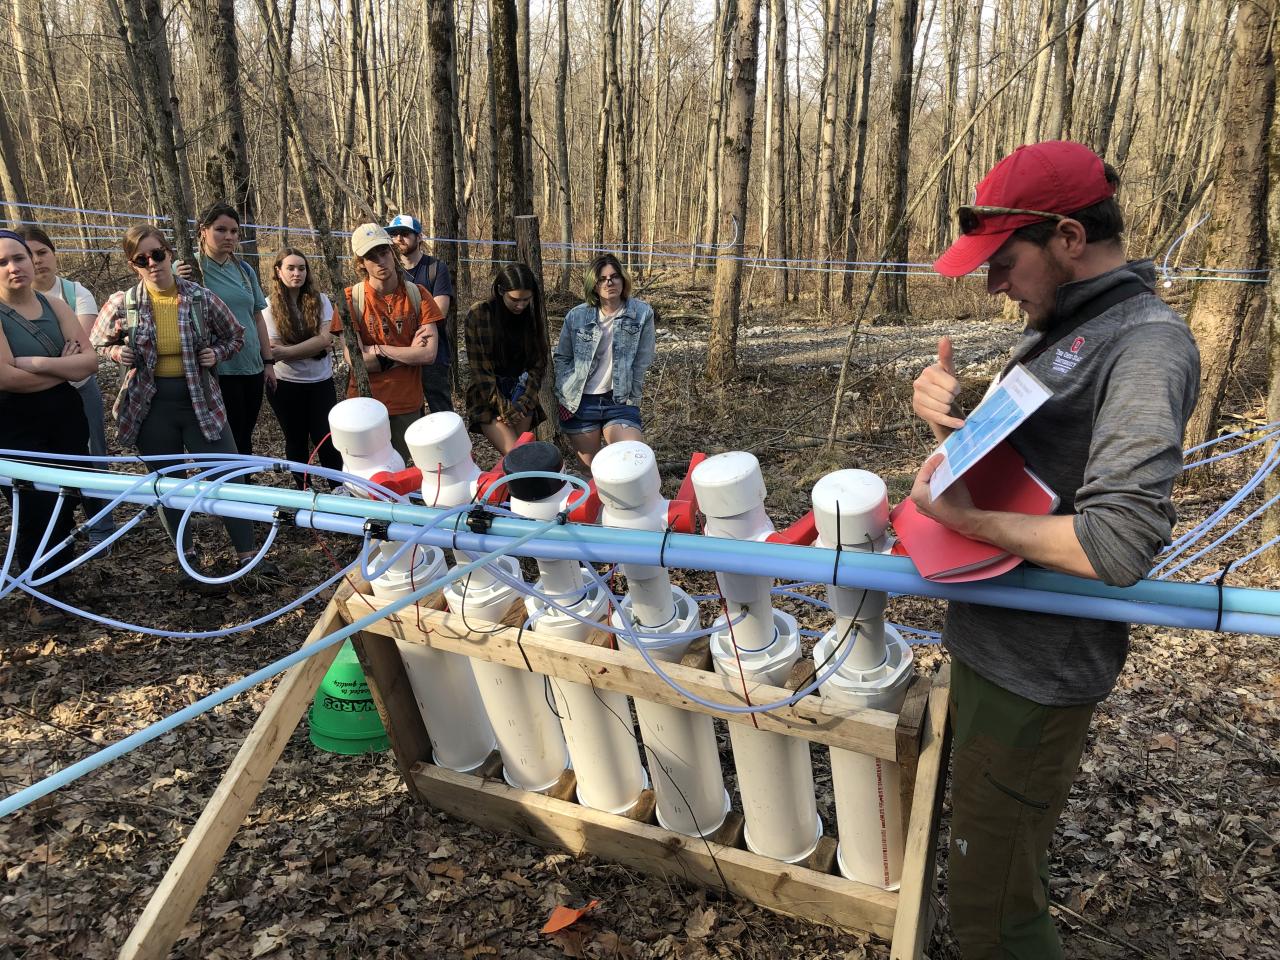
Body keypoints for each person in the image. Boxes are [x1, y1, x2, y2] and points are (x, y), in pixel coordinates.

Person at [909, 141, 1200, 959]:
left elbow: (1117, 541)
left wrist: (966, 522)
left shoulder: (1145, 345)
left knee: (993, 910)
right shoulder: (1069, 327)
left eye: (1004, 261)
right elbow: (1034, 470)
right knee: (984, 871)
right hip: (993, 642)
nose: (994, 284)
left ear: (1069, 237)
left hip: (1036, 670)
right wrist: (950, 427)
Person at [92, 224, 267, 583]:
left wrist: (214, 353)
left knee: (225, 474)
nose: (152, 263)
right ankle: (187, 559)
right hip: (150, 404)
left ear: (170, 254)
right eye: (142, 259)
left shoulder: (199, 298)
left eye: (158, 254)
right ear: (133, 265)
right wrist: (115, 351)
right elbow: (96, 341)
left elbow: (236, 334)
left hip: (201, 400)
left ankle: (248, 557)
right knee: (167, 483)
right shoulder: (123, 303)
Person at [0, 229, 96, 628]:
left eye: (18, 258)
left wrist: (33, 363)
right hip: (13, 424)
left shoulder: (55, 305)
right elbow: (6, 379)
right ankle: (37, 589)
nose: (13, 268)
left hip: (65, 419)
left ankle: (61, 575)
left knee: (65, 499)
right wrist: (61, 366)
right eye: (2, 262)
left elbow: (88, 363)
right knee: (32, 506)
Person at [16, 225, 116, 550]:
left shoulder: (75, 294)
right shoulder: (11, 304)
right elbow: (65, 356)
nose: (38, 260)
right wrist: (61, 361)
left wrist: (31, 361)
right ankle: (60, 531)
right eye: (29, 254)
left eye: (42, 252)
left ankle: (102, 529)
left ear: (54, 253)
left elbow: (82, 350)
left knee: (93, 457)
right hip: (33, 399)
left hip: (82, 391)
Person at [333, 223, 441, 464]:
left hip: (406, 404)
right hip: (364, 406)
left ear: (393, 253)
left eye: (384, 252)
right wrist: (409, 352)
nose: (381, 261)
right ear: (360, 263)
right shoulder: (350, 299)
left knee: (401, 474)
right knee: (367, 477)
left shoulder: (418, 294)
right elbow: (356, 361)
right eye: (371, 257)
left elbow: (428, 354)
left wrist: (379, 351)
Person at [177, 203, 275, 457]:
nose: (229, 237)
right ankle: (228, 488)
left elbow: (257, 317)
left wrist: (268, 362)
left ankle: (245, 487)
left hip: (251, 365)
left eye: (234, 231)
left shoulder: (244, 270)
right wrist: (173, 277)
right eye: (221, 230)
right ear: (203, 231)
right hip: (217, 368)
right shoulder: (190, 269)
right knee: (224, 439)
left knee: (245, 435)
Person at [553, 253, 655, 468]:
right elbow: (562, 357)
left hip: (619, 401)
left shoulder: (641, 313)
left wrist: (632, 396)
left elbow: (642, 361)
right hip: (580, 402)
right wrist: (565, 388)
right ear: (594, 284)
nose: (609, 282)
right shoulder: (576, 316)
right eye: (602, 278)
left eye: (614, 276)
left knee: (631, 462)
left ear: (623, 280)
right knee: (591, 470)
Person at [262, 247, 343, 485]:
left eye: (302, 268)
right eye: (290, 268)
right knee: (296, 440)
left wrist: (290, 350)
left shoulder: (321, 300)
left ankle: (337, 488)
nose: (297, 273)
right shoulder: (267, 306)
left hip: (321, 382)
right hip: (285, 384)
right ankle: (303, 487)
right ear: (278, 271)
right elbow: (274, 350)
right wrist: (314, 346)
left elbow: (327, 339)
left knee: (327, 439)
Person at [463, 262, 548, 456]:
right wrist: (504, 407)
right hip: (488, 395)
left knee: (517, 457)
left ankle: (509, 486)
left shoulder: (531, 316)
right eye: (515, 299)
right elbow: (480, 372)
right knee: (514, 453)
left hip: (521, 391)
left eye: (526, 300)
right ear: (501, 291)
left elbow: (538, 364)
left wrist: (524, 402)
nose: (521, 305)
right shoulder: (479, 315)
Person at [387, 214, 455, 414]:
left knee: (441, 410)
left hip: (433, 353)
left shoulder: (435, 268)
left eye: (405, 233)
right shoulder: (388, 272)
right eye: (394, 234)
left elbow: (439, 310)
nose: (399, 238)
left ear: (419, 237)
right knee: (408, 412)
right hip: (399, 354)